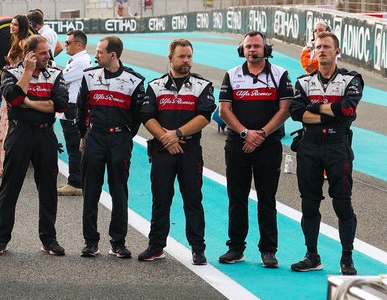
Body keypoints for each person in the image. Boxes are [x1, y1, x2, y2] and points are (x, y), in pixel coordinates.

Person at [288, 31, 362, 275]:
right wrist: (330, 112)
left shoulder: (352, 79)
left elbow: (347, 109)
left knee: (342, 203)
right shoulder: (303, 81)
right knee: (309, 204)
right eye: (318, 47)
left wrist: (316, 106)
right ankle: (312, 256)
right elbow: (297, 113)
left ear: (337, 51)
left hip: (338, 146)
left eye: (326, 47)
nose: (321, 50)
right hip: (309, 146)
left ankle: (347, 258)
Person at [217, 31, 292, 266]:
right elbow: (223, 111)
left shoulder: (281, 74)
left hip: (268, 144)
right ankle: (236, 248)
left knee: (267, 198)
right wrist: (245, 133)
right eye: (248, 46)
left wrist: (260, 134)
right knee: (236, 197)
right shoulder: (231, 74)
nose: (252, 50)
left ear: (266, 49)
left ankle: (268, 250)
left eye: (257, 46)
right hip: (237, 143)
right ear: (242, 50)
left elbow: (285, 110)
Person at [0, 35, 69, 256]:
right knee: (10, 187)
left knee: (47, 189)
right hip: (19, 132)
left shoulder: (55, 73)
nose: (49, 56)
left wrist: (30, 103)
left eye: (48, 52)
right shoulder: (11, 73)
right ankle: (0, 239)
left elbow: (61, 104)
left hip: (45, 134)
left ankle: (49, 239)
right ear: (31, 54)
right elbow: (14, 99)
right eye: (43, 53)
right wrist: (26, 72)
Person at [138, 39, 215, 264]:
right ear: (170, 58)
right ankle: (156, 246)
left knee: (193, 199)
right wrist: (166, 138)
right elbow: (147, 116)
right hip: (163, 149)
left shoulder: (203, 85)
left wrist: (177, 134)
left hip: (190, 150)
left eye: (189, 56)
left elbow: (204, 117)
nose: (186, 61)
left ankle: (198, 248)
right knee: (161, 199)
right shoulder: (155, 85)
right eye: (181, 56)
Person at [75, 36, 145, 260]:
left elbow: (137, 117)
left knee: (119, 192)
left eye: (99, 52)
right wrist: (83, 135)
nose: (96, 55)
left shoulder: (134, 80)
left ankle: (118, 242)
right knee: (90, 192)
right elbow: (81, 108)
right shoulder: (89, 75)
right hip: (94, 137)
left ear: (112, 54)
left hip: (119, 139)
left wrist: (124, 136)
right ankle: (90, 241)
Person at [0, 14, 35, 177]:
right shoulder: (15, 42)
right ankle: (4, 165)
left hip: (16, 87)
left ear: (22, 27)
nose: (12, 27)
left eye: (15, 25)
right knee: (7, 125)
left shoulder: (24, 43)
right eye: (11, 24)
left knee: (10, 125)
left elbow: (26, 67)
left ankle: (7, 165)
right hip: (10, 87)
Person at [57, 30, 90, 195]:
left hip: (73, 108)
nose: (65, 45)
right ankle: (75, 180)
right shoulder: (78, 60)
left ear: (79, 44)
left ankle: (76, 183)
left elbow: (60, 79)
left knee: (74, 146)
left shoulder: (80, 62)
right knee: (73, 146)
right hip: (70, 107)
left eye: (68, 43)